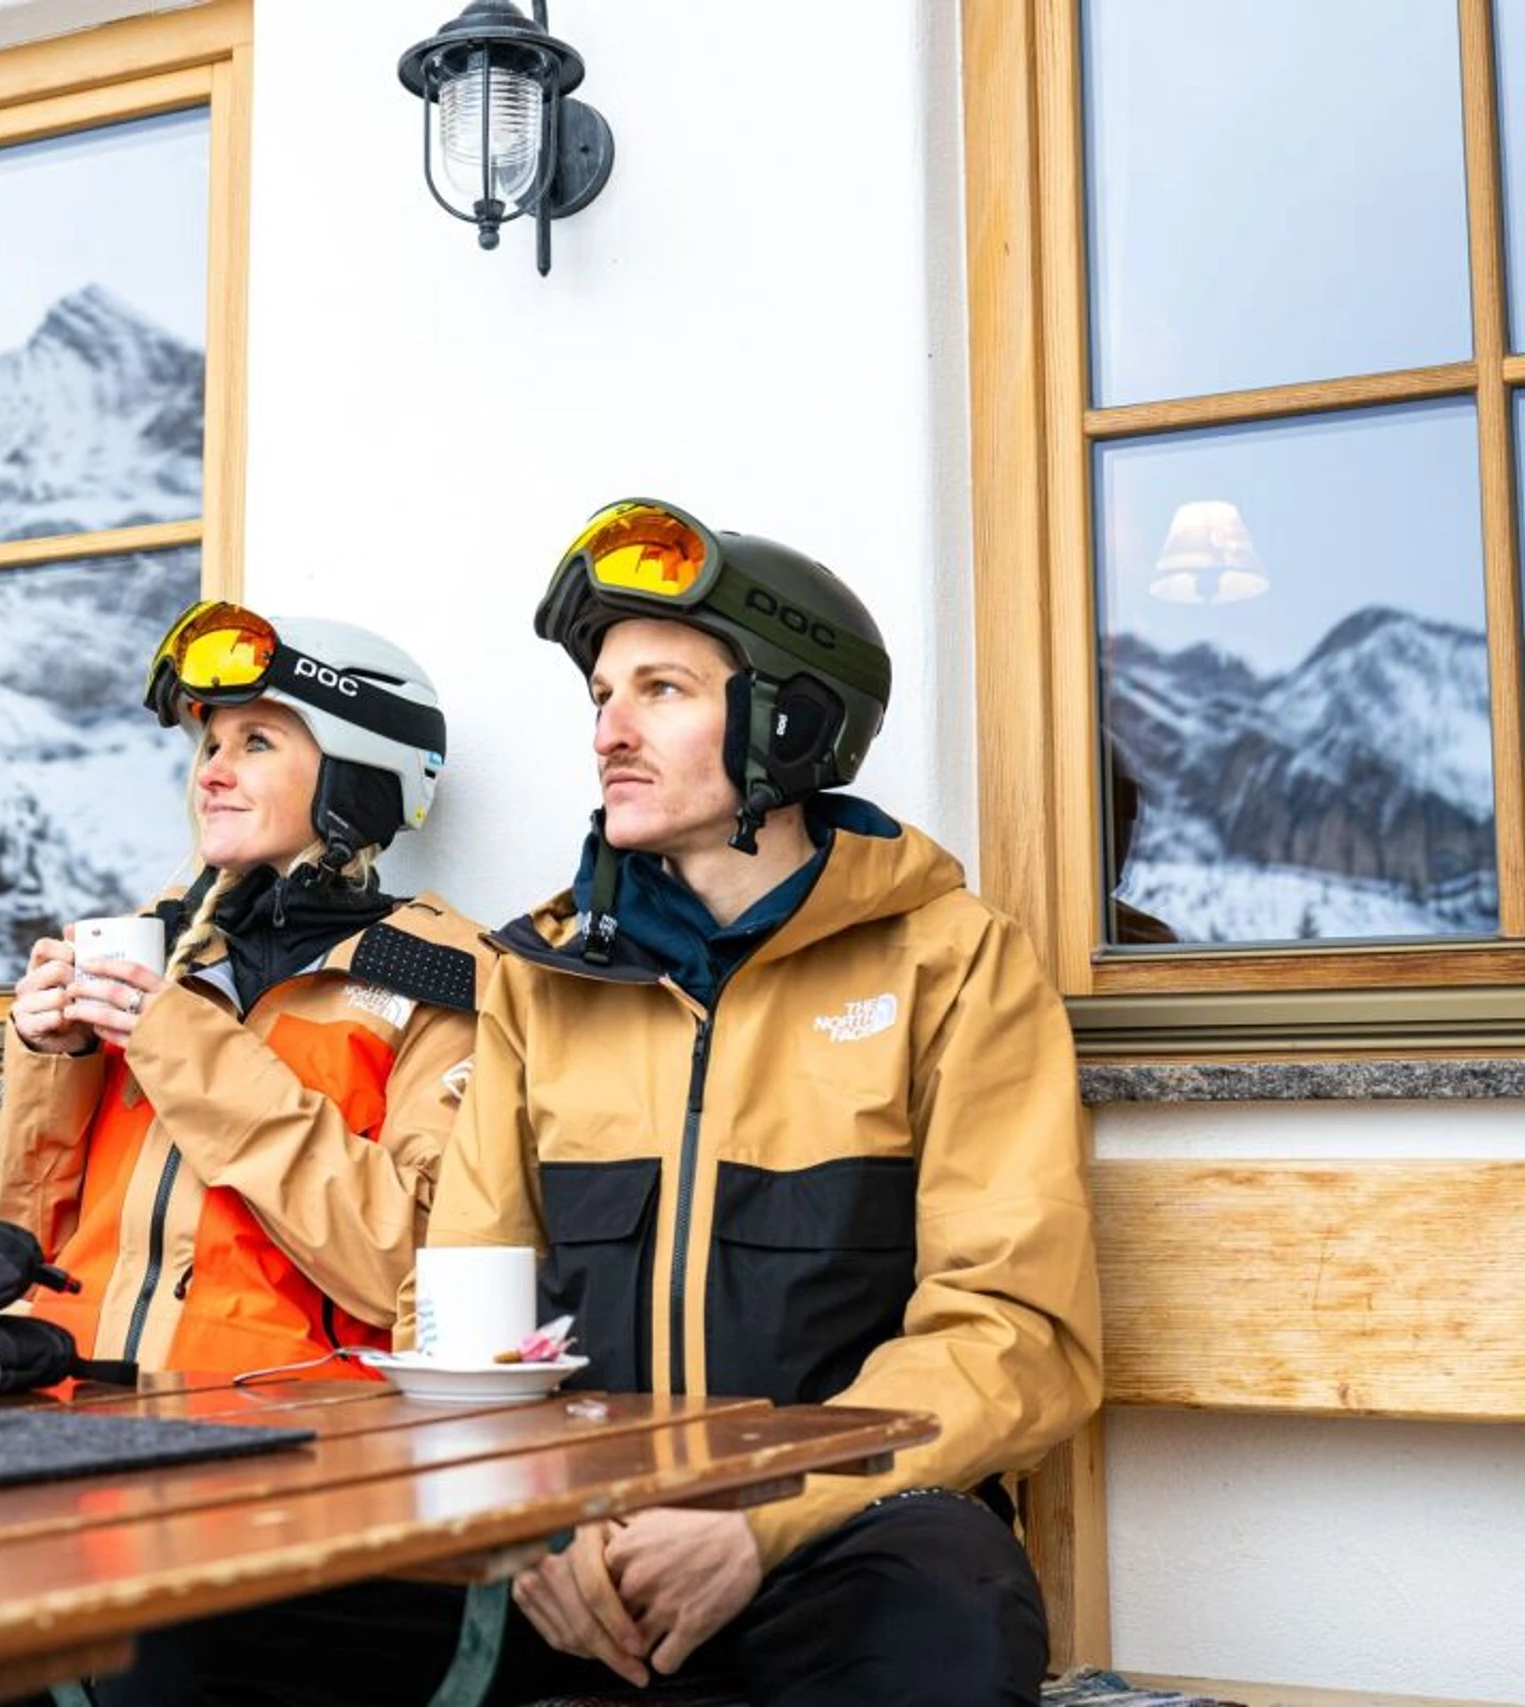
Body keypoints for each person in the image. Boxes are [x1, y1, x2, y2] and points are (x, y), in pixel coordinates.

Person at [103, 503, 1100, 1707]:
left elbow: (1012, 1332)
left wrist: (761, 1517)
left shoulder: (949, 964)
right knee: (192, 1624)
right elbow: (459, 1303)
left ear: (794, 722)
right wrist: (532, 1514)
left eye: (661, 691)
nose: (609, 732)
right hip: (562, 1530)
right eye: (601, 698)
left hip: (835, 1530)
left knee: (951, 1620)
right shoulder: (546, 974)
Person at [0, 599, 491, 1381]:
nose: (211, 772)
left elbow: (411, 1271)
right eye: (210, 743)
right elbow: (10, 1254)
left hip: (291, 1444)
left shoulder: (439, 976)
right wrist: (54, 1061)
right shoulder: (155, 957)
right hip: (75, 1425)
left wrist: (186, 1048)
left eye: (256, 742)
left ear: (358, 773)